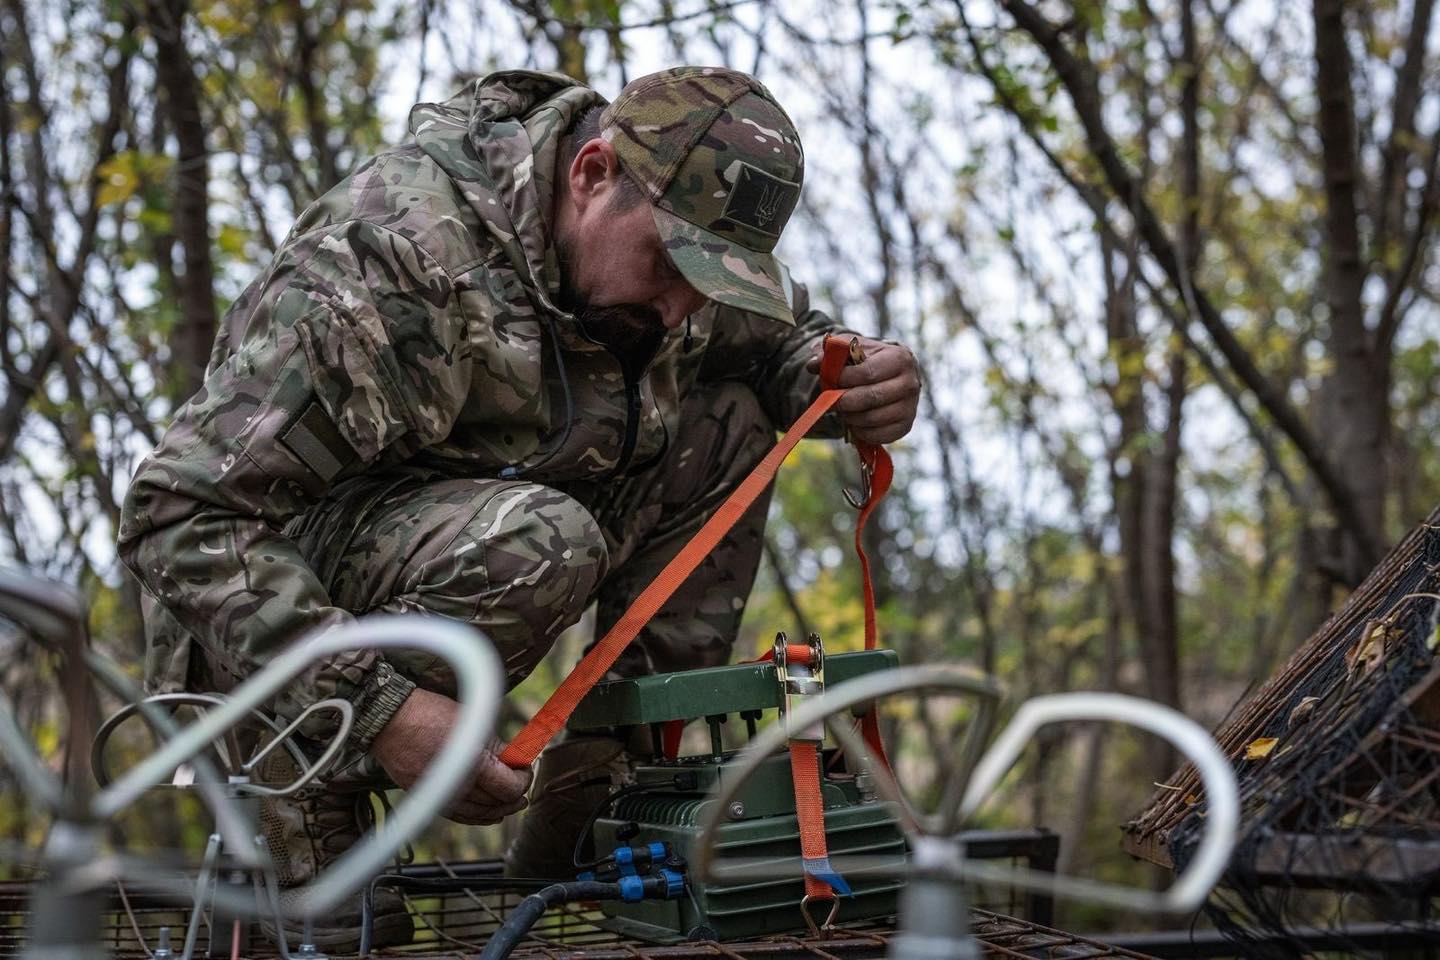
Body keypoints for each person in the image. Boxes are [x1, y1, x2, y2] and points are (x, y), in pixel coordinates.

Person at [117, 65, 920, 948]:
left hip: (479, 527)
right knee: (545, 538)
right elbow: (178, 513)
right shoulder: (394, 267)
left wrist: (843, 379)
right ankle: (306, 810)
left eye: (717, 281)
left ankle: (599, 797)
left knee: (727, 418)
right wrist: (383, 706)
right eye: (672, 263)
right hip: (275, 611)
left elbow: (776, 344)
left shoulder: (666, 275)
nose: (684, 305)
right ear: (591, 175)